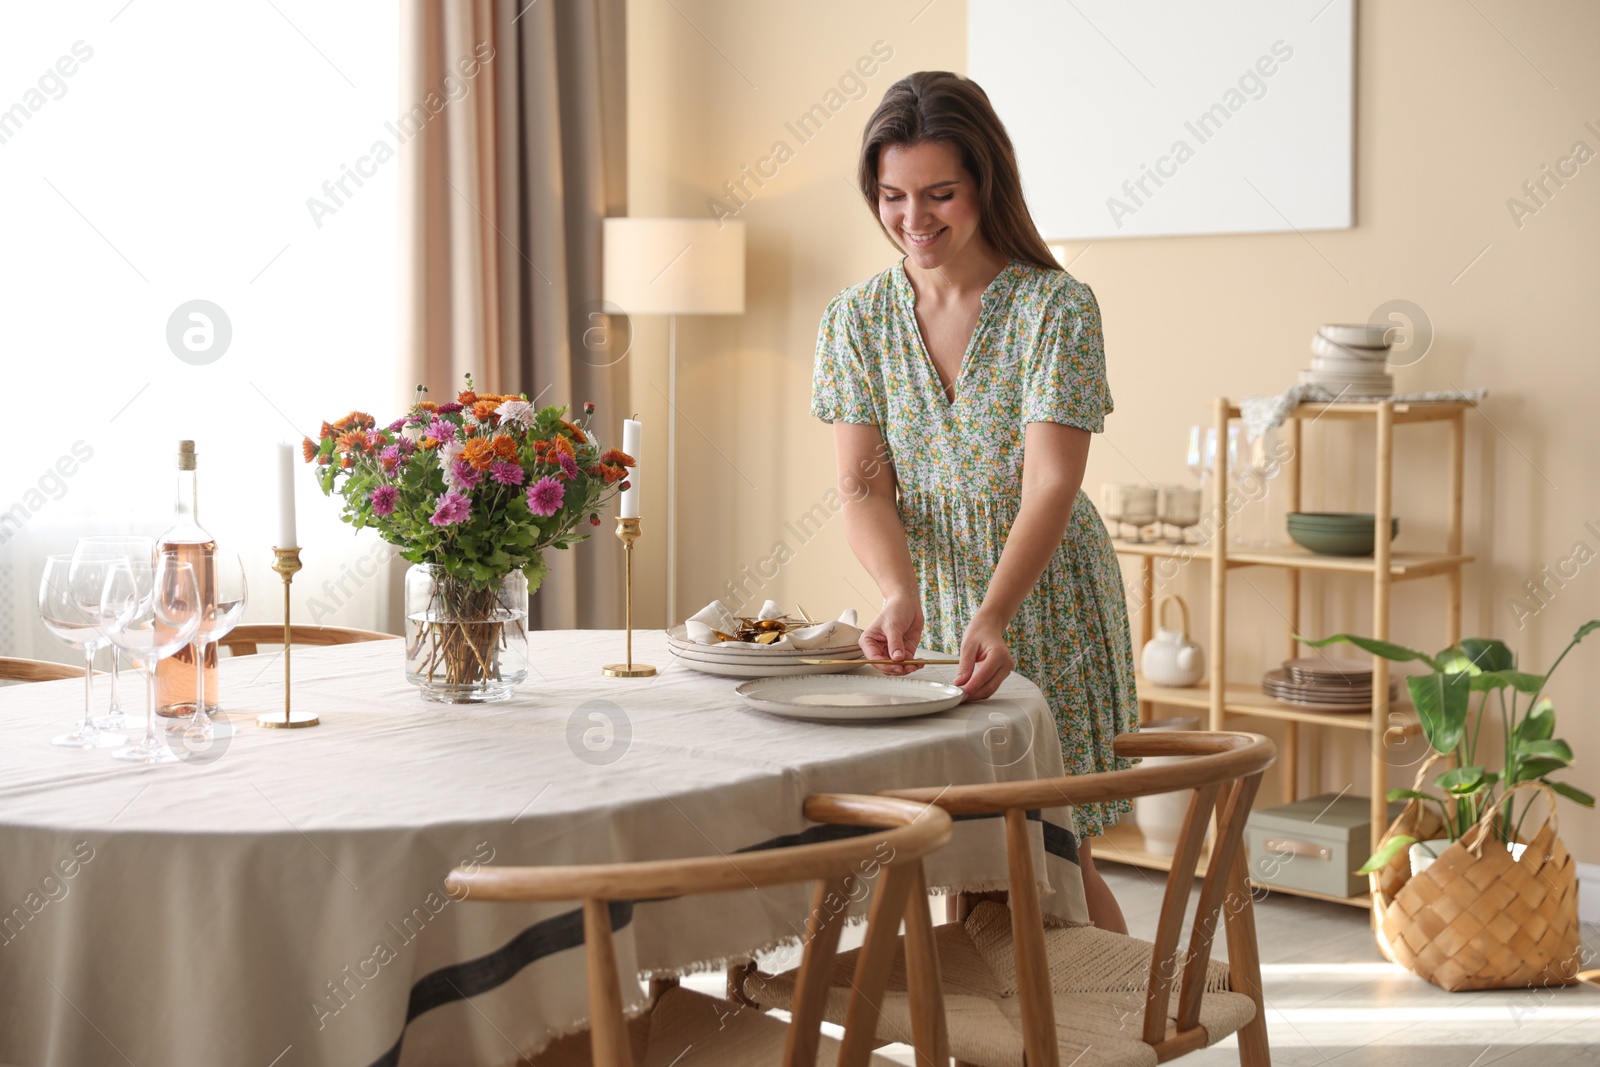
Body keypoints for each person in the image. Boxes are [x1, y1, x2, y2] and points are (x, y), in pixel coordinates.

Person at [810, 70, 1136, 932]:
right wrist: (896, 590)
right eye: (892, 196)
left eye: (939, 194)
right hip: (934, 598)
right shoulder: (856, 319)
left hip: (1045, 595)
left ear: (985, 182)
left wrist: (995, 609)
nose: (914, 220)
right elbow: (862, 483)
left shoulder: (1054, 308)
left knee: (1052, 856)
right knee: (960, 851)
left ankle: (1114, 1036)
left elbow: (1052, 483)